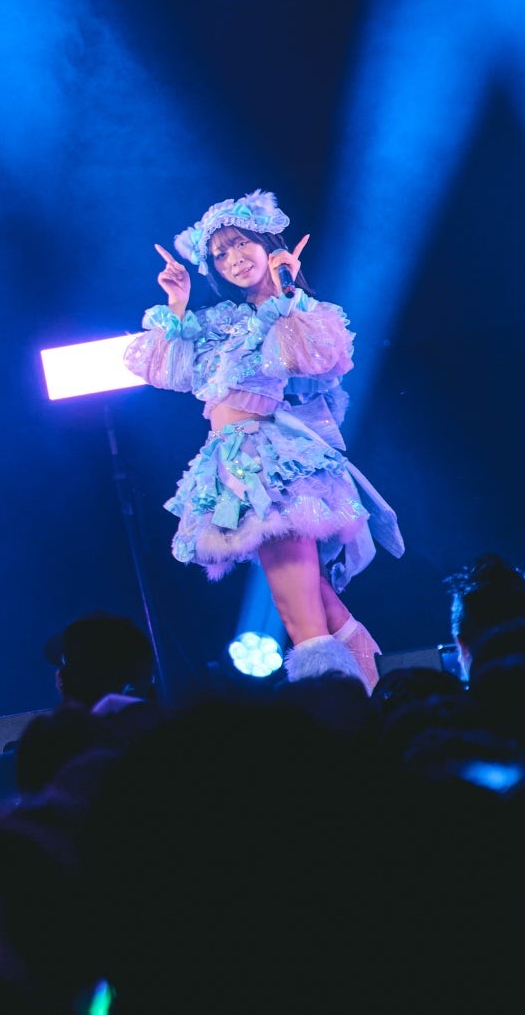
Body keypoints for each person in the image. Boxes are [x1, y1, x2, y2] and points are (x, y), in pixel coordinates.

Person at [127, 191, 403, 688]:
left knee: (300, 613)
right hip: (232, 462)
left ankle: (336, 704)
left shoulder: (290, 312)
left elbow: (308, 359)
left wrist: (285, 289)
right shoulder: (219, 322)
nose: (232, 259)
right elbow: (167, 370)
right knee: (315, 600)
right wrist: (177, 301)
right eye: (220, 254)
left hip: (266, 463)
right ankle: (372, 695)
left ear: (266, 243)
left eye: (240, 244)